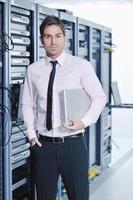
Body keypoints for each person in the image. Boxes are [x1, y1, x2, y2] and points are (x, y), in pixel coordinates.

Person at [22, 15, 106, 200]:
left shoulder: (81, 66)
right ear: (42, 39)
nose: (53, 41)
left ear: (64, 37)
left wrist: (84, 121)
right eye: (48, 36)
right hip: (43, 146)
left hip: (72, 144)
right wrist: (31, 134)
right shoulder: (33, 70)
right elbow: (27, 103)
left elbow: (99, 97)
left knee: (79, 196)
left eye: (57, 36)